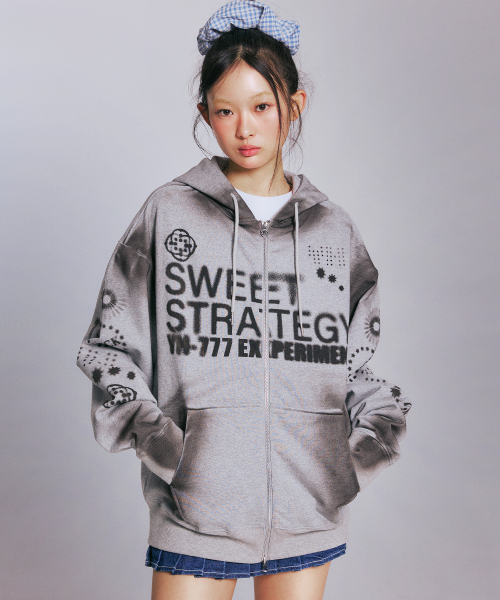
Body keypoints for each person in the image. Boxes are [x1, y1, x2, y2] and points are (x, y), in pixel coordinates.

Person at [76, 1, 412, 598]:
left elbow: (354, 368)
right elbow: (109, 350)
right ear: (204, 114)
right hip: (194, 515)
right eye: (225, 110)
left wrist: (352, 460)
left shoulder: (333, 230)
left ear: (294, 106)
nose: (245, 128)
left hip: (308, 515)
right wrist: (172, 454)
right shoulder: (168, 213)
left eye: (262, 107)